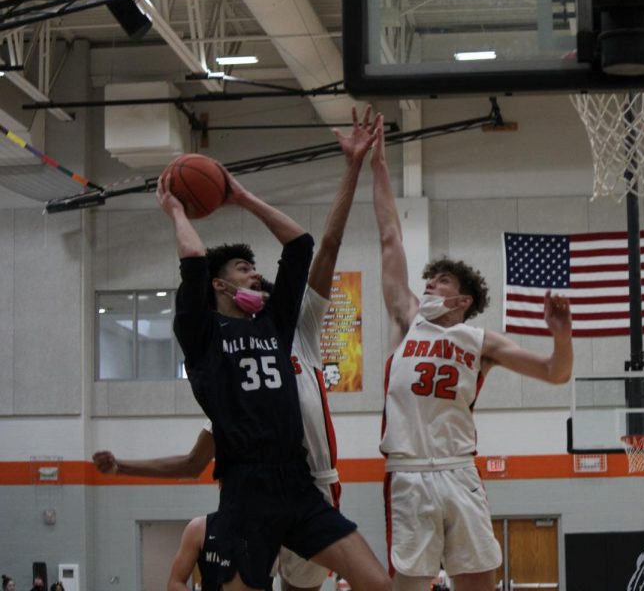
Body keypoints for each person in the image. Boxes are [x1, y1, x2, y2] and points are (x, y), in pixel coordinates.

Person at [94, 106, 379, 591]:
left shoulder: (287, 328)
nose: (255, 277)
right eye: (244, 269)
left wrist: (244, 196)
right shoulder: (209, 344)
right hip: (246, 487)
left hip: (308, 481)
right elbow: (189, 464)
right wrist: (179, 212)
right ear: (221, 288)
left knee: (372, 581)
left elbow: (313, 245)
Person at [369, 118, 573, 591]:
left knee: (479, 581)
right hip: (410, 472)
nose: (428, 285)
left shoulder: (482, 343)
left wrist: (561, 336)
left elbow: (554, 373)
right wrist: (378, 165)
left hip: (460, 471)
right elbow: (389, 238)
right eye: (429, 279)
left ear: (462, 300)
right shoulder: (408, 320)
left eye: (441, 281)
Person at [166, 512, 271, 591]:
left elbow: (287, 582)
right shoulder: (199, 528)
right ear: (221, 487)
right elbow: (175, 583)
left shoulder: (273, 529)